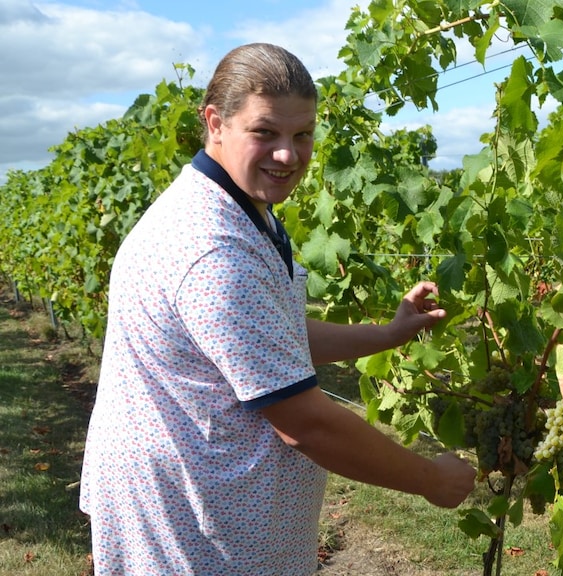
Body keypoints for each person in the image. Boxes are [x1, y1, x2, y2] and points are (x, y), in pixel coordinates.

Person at [79, 43, 476, 575]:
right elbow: (306, 424)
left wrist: (388, 333)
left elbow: (273, 337)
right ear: (215, 122)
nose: (288, 154)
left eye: (302, 133)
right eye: (265, 132)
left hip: (218, 514)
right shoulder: (213, 248)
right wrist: (431, 479)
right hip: (194, 531)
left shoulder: (243, 206)